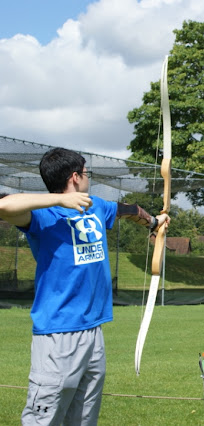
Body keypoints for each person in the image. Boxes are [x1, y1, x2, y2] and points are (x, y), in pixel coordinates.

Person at [0, 147, 170, 425]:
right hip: (58, 333)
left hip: (93, 330)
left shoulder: (95, 206)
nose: (89, 177)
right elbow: (4, 206)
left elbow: (127, 210)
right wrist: (60, 200)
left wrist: (154, 222)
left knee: (84, 418)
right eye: (86, 172)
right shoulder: (43, 215)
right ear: (75, 177)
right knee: (44, 418)